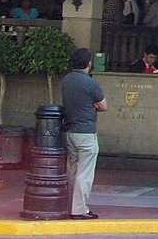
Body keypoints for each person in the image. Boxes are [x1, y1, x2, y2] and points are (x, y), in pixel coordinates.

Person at [61, 48, 107, 220]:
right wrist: (92, 105)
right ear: (89, 63)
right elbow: (103, 106)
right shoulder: (90, 82)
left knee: (72, 170)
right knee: (85, 173)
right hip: (86, 132)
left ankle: (69, 205)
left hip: (70, 131)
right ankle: (79, 209)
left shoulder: (66, 80)